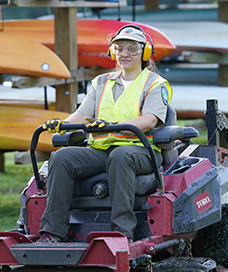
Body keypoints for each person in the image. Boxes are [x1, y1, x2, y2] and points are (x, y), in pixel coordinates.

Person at [37, 25, 173, 243]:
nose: (125, 53)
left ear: (145, 53)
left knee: (120, 156)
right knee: (62, 157)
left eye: (132, 49)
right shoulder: (101, 82)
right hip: (102, 149)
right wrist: (63, 124)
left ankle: (122, 234)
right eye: (119, 48)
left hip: (141, 152)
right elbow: (82, 114)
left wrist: (114, 126)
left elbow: (149, 120)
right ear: (112, 52)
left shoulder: (154, 84)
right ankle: (52, 233)